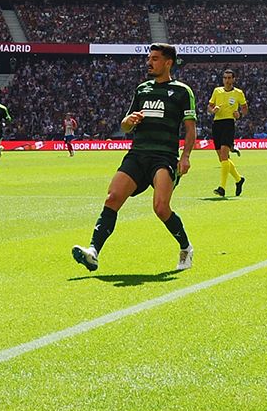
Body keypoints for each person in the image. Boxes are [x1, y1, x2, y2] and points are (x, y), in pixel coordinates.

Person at [72, 45, 195, 273]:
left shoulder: (181, 92)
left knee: (160, 207)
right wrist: (129, 120)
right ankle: (93, 252)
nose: (150, 63)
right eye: (149, 58)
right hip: (138, 154)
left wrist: (185, 156)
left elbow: (190, 129)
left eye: (155, 59)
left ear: (168, 62)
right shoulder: (142, 90)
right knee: (112, 198)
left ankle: (186, 247)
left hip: (164, 156)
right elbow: (125, 125)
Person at [209, 69, 247, 198]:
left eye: (230, 78)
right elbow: (209, 106)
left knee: (224, 155)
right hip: (217, 124)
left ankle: (222, 188)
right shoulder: (217, 91)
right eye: (225, 78)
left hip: (229, 124)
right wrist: (213, 110)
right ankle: (238, 179)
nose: (227, 80)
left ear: (234, 79)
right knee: (222, 158)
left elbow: (245, 108)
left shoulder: (238, 93)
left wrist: (239, 114)